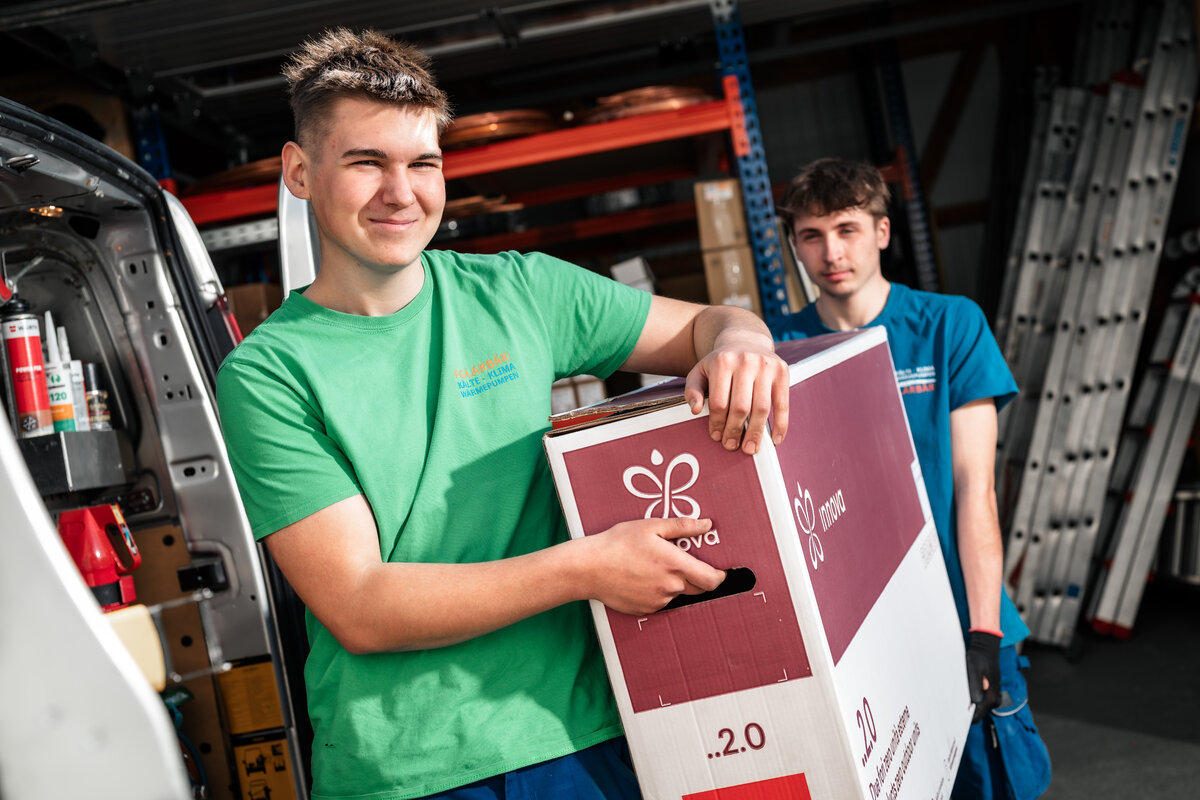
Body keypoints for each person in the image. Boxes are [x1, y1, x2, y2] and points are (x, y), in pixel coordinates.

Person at [215, 28, 790, 800]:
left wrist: (743, 345)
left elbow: (709, 325)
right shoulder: (269, 374)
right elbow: (361, 605)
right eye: (366, 163)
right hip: (410, 766)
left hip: (584, 734)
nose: (401, 193)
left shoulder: (521, 292)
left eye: (423, 164)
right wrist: (588, 568)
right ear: (299, 172)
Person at [777, 158, 1051, 800]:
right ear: (795, 245)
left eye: (847, 229)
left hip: (960, 616)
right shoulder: (778, 348)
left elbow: (975, 489)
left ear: (882, 232)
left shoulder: (949, 325)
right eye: (812, 235)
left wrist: (983, 632)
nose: (831, 252)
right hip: (858, 642)